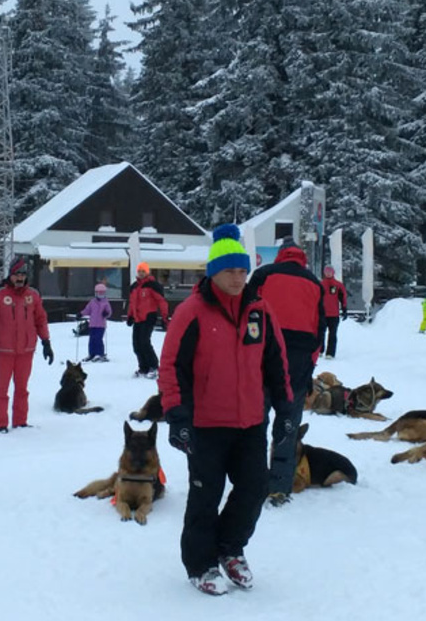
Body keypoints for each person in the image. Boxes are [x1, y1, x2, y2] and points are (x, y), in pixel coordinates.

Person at [158, 224, 291, 596]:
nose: (238, 277)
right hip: (206, 424)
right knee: (206, 496)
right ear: (214, 272)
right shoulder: (192, 312)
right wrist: (177, 417)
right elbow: (171, 367)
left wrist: (285, 410)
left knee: (255, 487)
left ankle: (230, 548)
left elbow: (276, 362)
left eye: (242, 270)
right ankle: (201, 563)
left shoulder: (259, 310)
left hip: (250, 421)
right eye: (230, 270)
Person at [247, 243, 325, 507]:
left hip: (262, 359)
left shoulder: (264, 275)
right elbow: (320, 332)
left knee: (255, 423)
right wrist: (309, 367)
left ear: (281, 256)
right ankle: (280, 487)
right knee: (288, 426)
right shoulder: (314, 283)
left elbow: (245, 314)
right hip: (298, 365)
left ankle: (252, 481)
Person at [0, 257, 53, 433]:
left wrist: (46, 342)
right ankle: (0, 423)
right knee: (1, 389)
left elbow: (41, 320)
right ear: (10, 275)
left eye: (23, 274)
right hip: (4, 350)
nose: (20, 278)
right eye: (17, 274)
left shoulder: (33, 295)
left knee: (22, 389)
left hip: (26, 350)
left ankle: (20, 421)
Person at [126, 262, 169, 379]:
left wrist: (164, 317)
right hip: (137, 319)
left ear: (147, 272)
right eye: (139, 271)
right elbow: (132, 303)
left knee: (145, 342)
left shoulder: (153, 285)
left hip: (148, 317)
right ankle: (143, 367)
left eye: (143, 271)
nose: (141, 273)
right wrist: (130, 316)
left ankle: (154, 367)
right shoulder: (134, 286)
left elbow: (161, 301)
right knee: (136, 344)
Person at [79, 283, 113, 362]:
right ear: (96, 293)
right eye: (99, 292)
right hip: (92, 324)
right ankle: (92, 354)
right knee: (92, 340)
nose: (100, 294)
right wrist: (81, 314)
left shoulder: (105, 302)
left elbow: (109, 311)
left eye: (102, 293)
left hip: (101, 325)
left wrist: (106, 313)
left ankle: (100, 354)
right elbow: (87, 310)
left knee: (98, 339)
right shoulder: (92, 302)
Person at [318, 266, 347, 358]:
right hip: (322, 313)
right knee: (320, 333)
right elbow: (316, 298)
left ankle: (330, 353)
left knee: (332, 334)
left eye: (330, 271)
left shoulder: (338, 285)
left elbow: (343, 297)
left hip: (334, 314)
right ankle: (319, 350)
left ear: (333, 273)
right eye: (326, 271)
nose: (328, 273)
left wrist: (344, 309)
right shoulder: (320, 285)